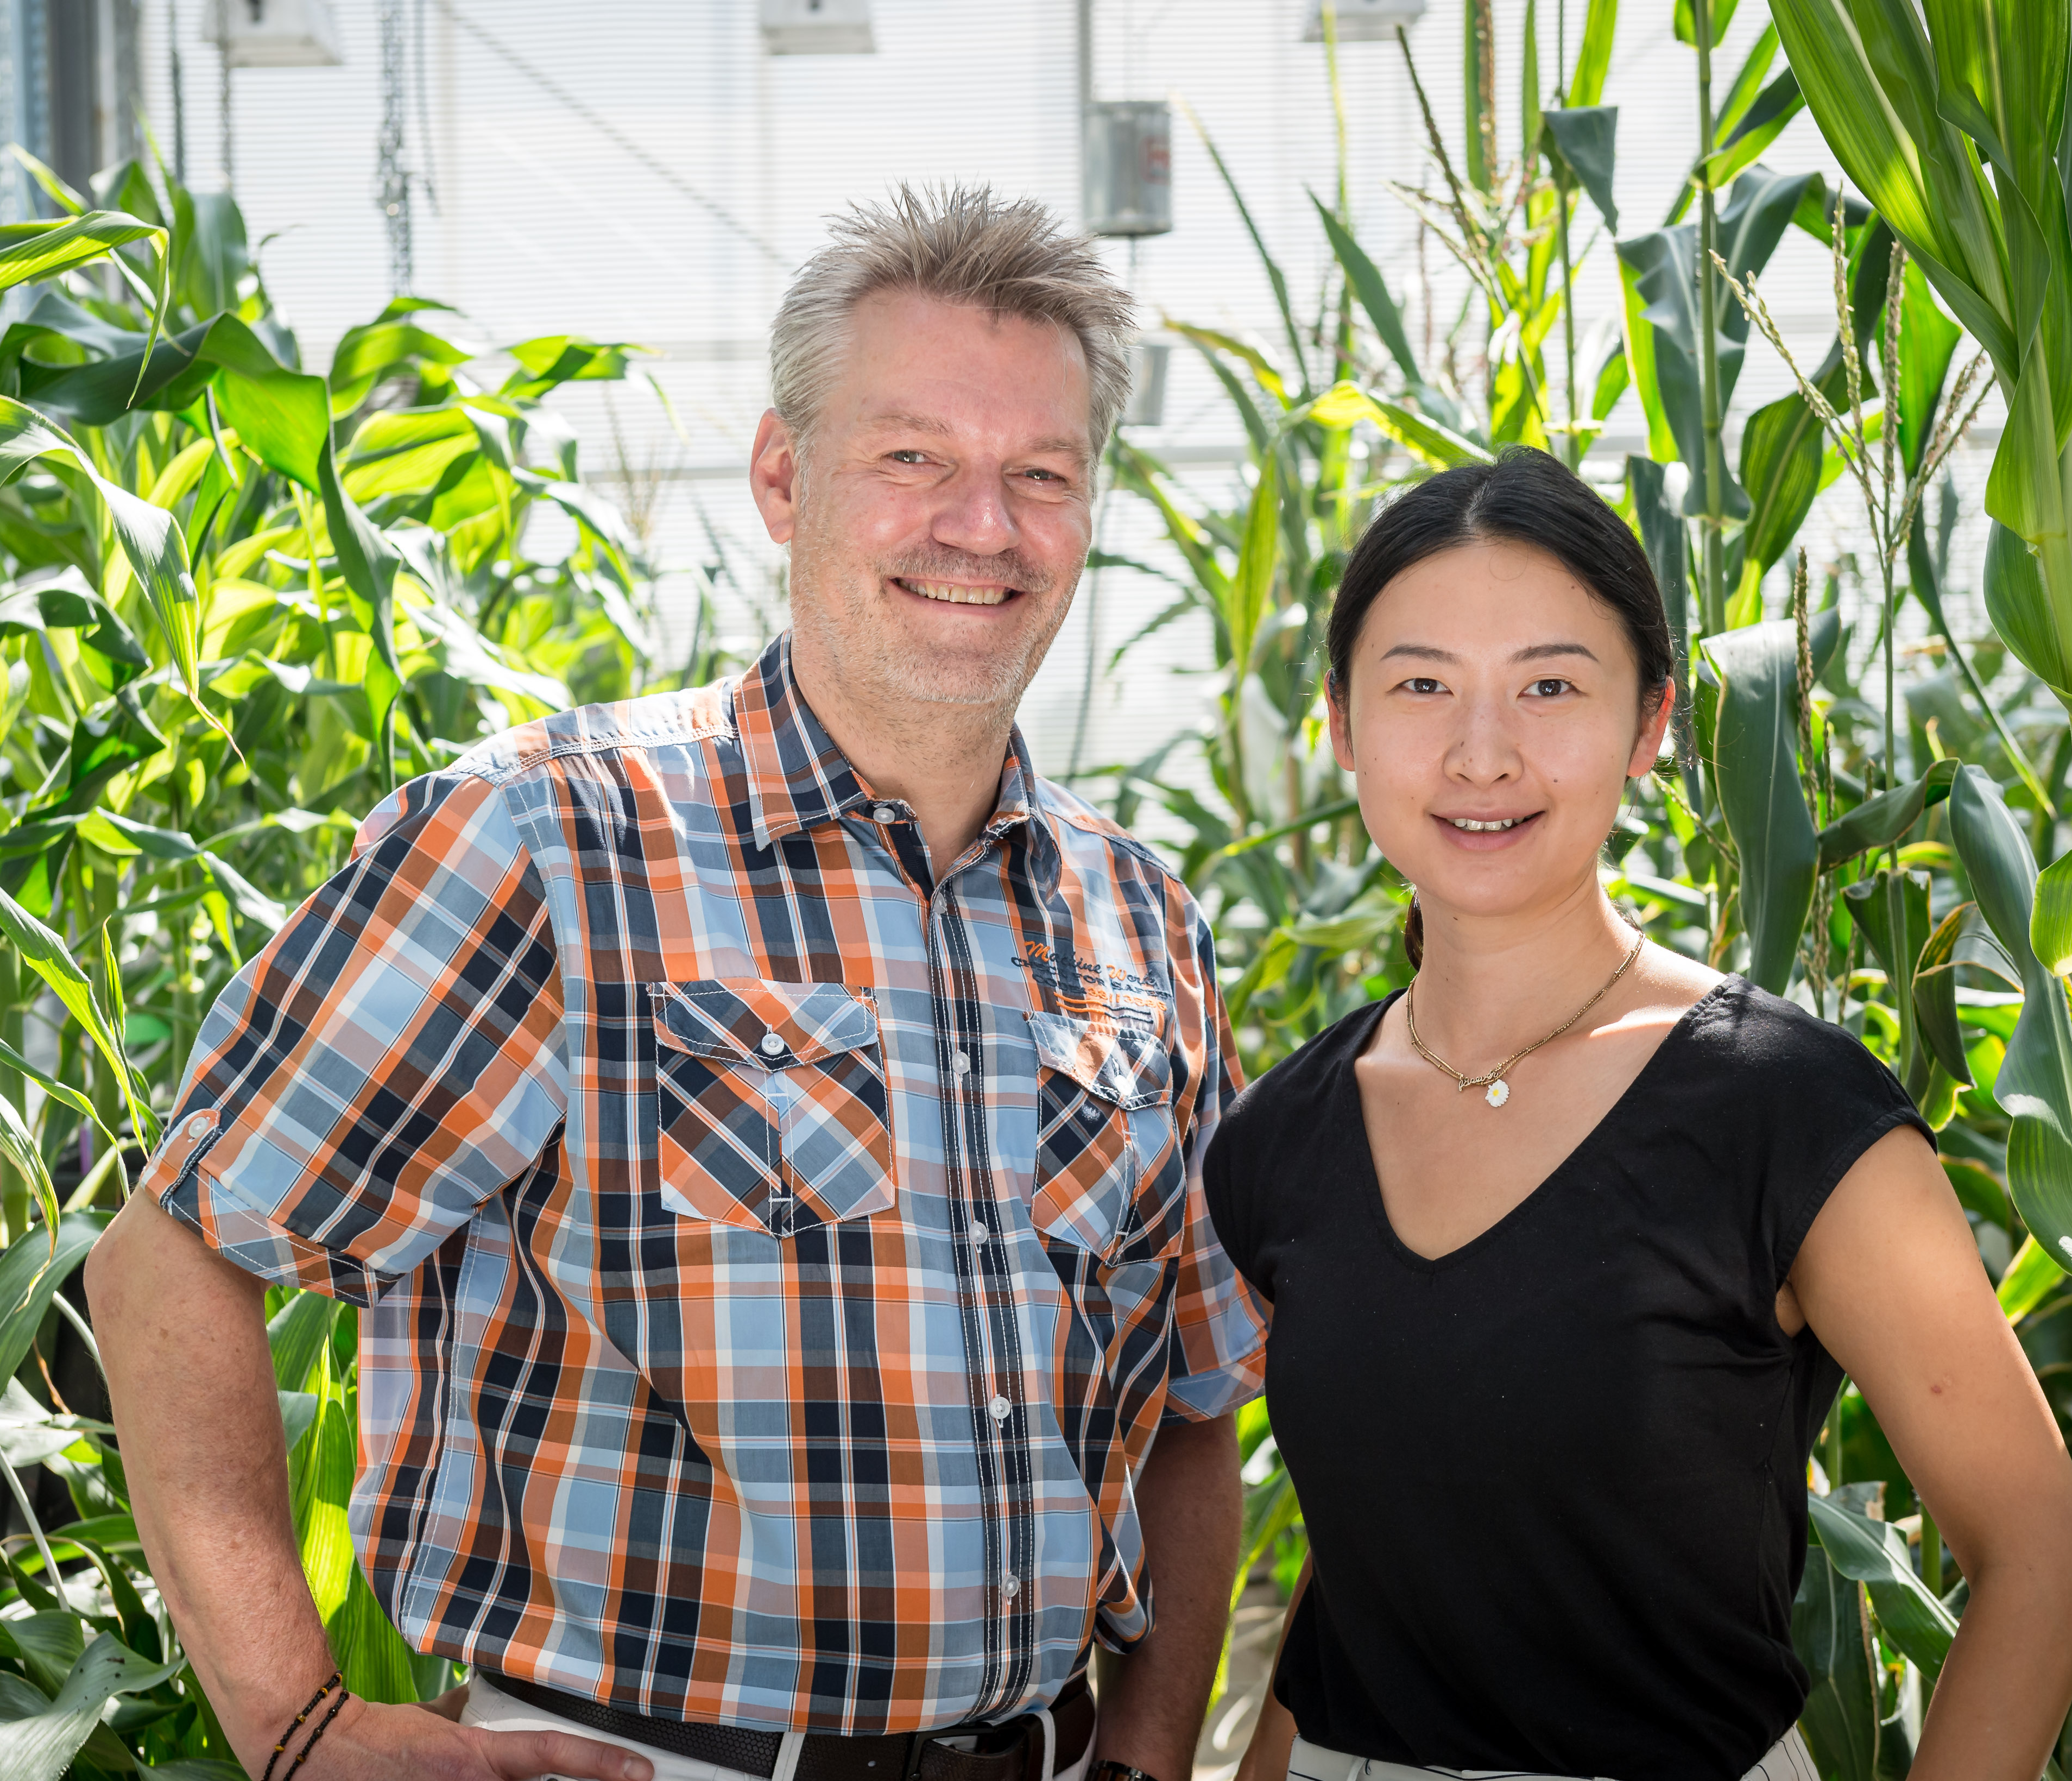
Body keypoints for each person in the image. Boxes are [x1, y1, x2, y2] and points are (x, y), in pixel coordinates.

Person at [86, 185, 1265, 1781]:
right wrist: (297, 1728)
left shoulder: (1138, 918)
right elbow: (173, 1256)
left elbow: (1193, 1395)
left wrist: (1146, 1752)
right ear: (785, 479)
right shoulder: (546, 842)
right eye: (911, 457)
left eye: (1038, 475)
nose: (980, 526)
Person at [1212, 451, 2072, 1781]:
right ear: (1340, 726)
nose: (1480, 751)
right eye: (1419, 686)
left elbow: (2044, 1559)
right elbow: (1364, 1565)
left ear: (1651, 724)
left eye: (1551, 685)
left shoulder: (1786, 1109)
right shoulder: (1278, 1137)